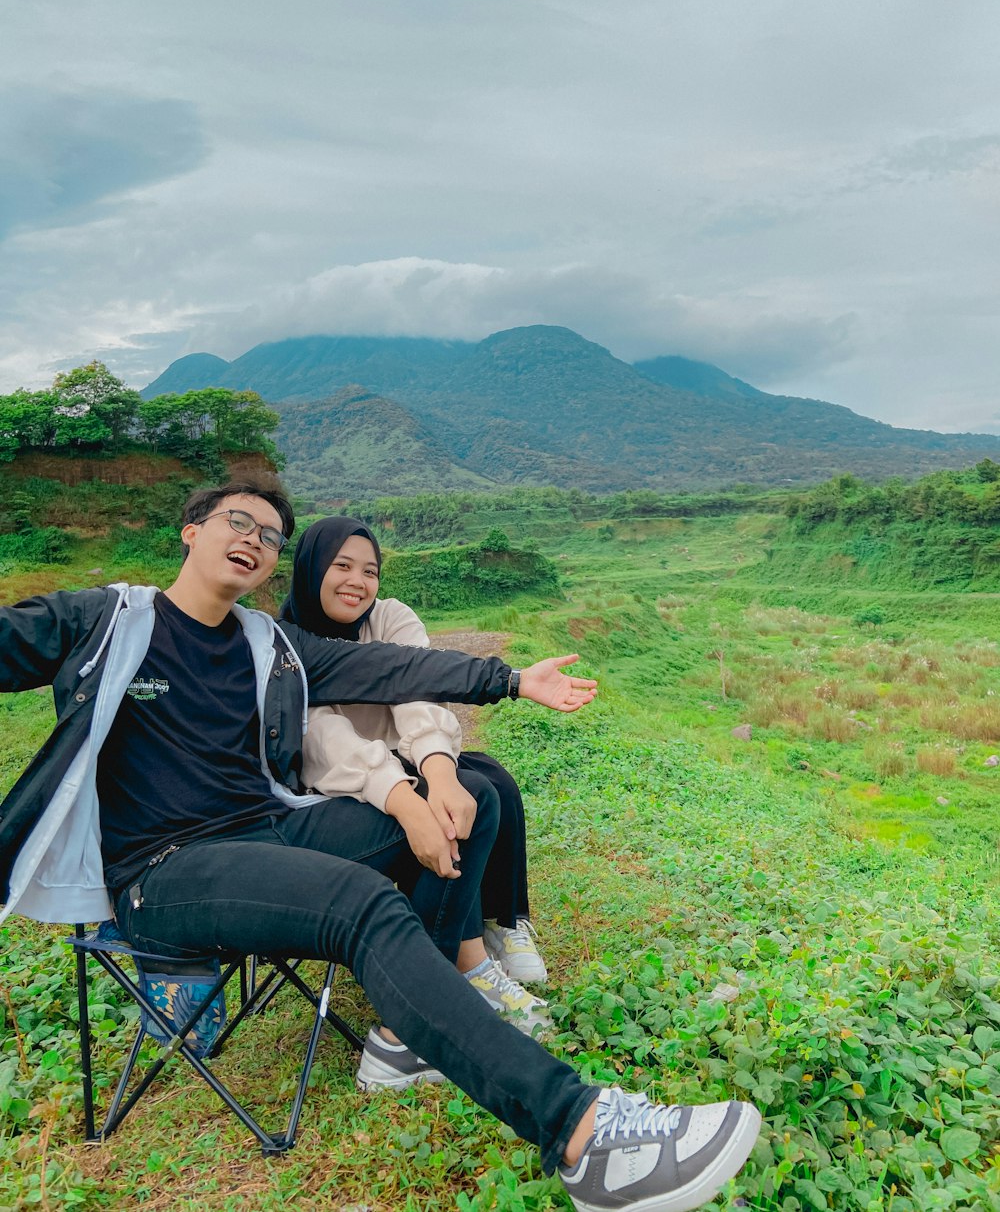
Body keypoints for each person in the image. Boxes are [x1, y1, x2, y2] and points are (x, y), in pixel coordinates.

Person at [0, 482, 761, 1212]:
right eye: (238, 522)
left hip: (264, 829)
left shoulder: (272, 644)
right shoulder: (105, 619)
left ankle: (403, 1039)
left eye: (269, 536)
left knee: (463, 802)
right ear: (192, 530)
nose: (253, 540)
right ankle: (583, 1134)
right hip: (163, 872)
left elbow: (396, 667)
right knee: (357, 902)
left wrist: (508, 679)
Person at [278, 515, 548, 1031]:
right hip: (338, 783)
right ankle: (465, 965)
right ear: (311, 568)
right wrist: (406, 792)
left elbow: (415, 685)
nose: (358, 582)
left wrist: (437, 771)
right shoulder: (286, 645)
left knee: (492, 780)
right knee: (470, 795)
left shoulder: (390, 617)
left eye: (370, 571)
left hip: (405, 756)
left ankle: (503, 922)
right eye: (342, 566)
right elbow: (323, 740)